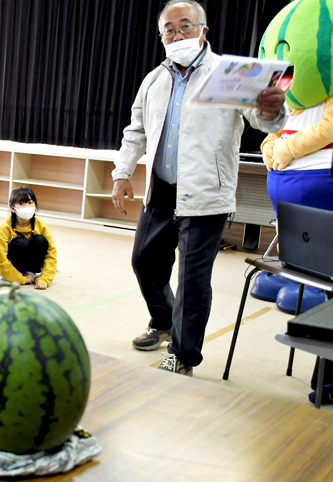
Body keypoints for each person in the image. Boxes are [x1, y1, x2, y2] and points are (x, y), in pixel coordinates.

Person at [111, 0, 288, 376]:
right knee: (144, 261)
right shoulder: (154, 80)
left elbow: (264, 121)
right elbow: (136, 131)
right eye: (169, 30)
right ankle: (162, 322)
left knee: (192, 280)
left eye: (185, 26)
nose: (177, 35)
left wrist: (272, 109)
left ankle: (183, 354)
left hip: (206, 196)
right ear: (161, 37)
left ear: (203, 30)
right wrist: (122, 173)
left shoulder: (229, 75)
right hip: (160, 192)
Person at [0, 187, 57, 289]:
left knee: (40, 240)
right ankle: (10, 276)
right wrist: (20, 279)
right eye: (21, 204)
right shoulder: (6, 226)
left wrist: (45, 279)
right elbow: (0, 258)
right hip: (13, 263)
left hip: (30, 263)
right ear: (12, 208)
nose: (27, 207)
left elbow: (51, 254)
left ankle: (30, 272)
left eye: (30, 203)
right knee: (21, 242)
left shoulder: (40, 225)